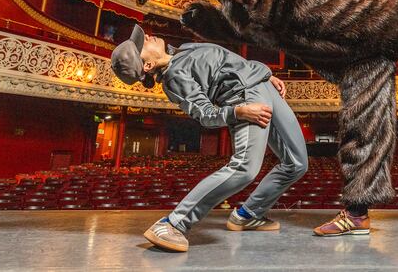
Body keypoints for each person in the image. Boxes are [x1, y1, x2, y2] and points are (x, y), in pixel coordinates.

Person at [110, 25, 308, 252]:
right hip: (245, 99)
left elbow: (228, 60)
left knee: (297, 163)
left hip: (261, 84)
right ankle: (173, 223)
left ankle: (248, 214)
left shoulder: (183, 50)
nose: (146, 36)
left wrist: (264, 75)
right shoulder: (174, 77)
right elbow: (204, 114)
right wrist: (238, 112)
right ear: (147, 65)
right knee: (245, 167)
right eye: (141, 44)